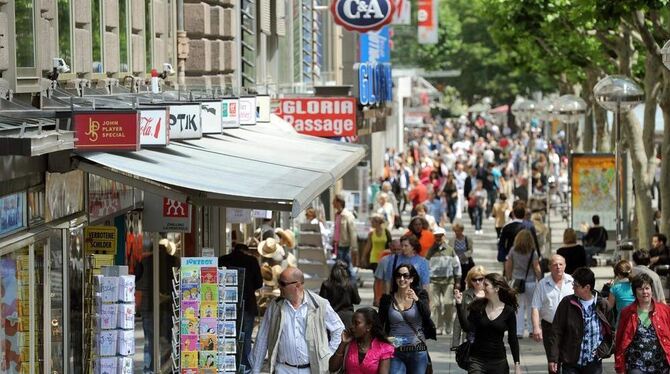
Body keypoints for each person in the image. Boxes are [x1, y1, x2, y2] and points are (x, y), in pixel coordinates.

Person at [250, 267, 345, 374]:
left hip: (312, 370)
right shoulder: (275, 306)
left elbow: (339, 329)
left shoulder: (319, 304)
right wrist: (256, 369)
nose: (279, 287)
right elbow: (262, 338)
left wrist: (328, 354)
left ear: (297, 285)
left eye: (283, 283)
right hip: (283, 369)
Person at [548, 267, 614, 374]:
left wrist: (602, 351)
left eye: (576, 285)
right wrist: (553, 358)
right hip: (570, 362)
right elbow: (556, 331)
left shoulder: (603, 305)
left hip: (593, 363)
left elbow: (612, 332)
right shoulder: (567, 303)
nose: (573, 287)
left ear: (587, 287)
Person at [454, 273, 522, 374]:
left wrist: (517, 365)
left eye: (486, 285)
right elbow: (467, 328)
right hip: (477, 361)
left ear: (496, 288)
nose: (482, 287)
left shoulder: (509, 311)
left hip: (499, 362)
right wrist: (459, 305)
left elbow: (513, 339)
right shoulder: (478, 306)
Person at [378, 264, 436, 373]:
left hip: (418, 350)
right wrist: (385, 339)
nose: (402, 279)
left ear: (412, 279)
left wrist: (417, 300)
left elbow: (427, 315)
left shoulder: (421, 295)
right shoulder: (387, 299)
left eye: (406, 276)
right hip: (395, 350)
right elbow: (379, 323)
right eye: (398, 276)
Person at [218, 243, 263, 373]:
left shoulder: (223, 259)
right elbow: (259, 283)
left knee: (226, 335)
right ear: (246, 251)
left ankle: (227, 365)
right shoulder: (252, 261)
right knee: (246, 336)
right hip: (247, 304)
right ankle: (245, 366)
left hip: (225, 304)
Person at [614, 273, 670, 374]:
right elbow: (619, 341)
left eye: (647, 288)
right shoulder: (627, 312)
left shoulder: (665, 310)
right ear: (635, 292)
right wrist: (619, 365)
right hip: (636, 364)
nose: (644, 292)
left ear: (651, 290)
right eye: (640, 289)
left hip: (661, 364)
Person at [138, 238, 178, 373]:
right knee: (167, 339)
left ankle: (149, 369)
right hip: (168, 307)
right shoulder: (174, 261)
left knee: (150, 340)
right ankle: (165, 368)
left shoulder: (144, 262)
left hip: (148, 307)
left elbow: (137, 283)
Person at [531, 255, 575, 364]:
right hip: (550, 327)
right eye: (555, 265)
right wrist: (536, 327)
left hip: (570, 326)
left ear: (565, 266)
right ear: (550, 267)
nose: (558, 267)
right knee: (553, 361)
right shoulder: (542, 284)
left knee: (569, 360)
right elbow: (535, 307)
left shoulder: (572, 282)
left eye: (561, 264)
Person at [328, 307, 395, 374]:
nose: (352, 326)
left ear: (369, 326)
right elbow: (332, 368)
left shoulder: (383, 348)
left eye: (356, 323)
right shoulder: (349, 344)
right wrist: (343, 343)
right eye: (352, 323)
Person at [505, 229, 542, 338]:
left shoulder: (512, 250)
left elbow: (508, 265)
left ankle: (518, 331)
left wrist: (508, 278)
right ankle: (531, 329)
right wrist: (540, 279)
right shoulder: (533, 252)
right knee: (531, 306)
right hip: (530, 282)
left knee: (518, 307)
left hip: (516, 282)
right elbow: (536, 268)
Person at [426, 226, 461, 335]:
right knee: (435, 305)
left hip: (448, 281)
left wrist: (458, 280)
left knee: (448, 303)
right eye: (436, 236)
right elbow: (425, 266)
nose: (438, 238)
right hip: (434, 281)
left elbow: (457, 266)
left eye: (440, 236)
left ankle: (448, 325)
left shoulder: (450, 250)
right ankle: (438, 326)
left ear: (444, 236)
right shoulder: (430, 251)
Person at [452, 265, 487, 348]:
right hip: (469, 337)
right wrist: (455, 344)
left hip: (486, 337)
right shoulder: (465, 295)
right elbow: (458, 320)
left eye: (480, 279)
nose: (477, 282)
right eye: (474, 280)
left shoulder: (490, 294)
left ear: (485, 279)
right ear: (470, 281)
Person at [319, 261, 361, 330]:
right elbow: (357, 301)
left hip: (331, 316)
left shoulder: (326, 284)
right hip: (348, 317)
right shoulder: (351, 284)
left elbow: (322, 302)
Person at [332, 194, 358, 278]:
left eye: (334, 202)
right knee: (339, 267)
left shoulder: (347, 215)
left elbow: (352, 232)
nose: (332, 204)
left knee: (347, 267)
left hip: (345, 246)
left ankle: (353, 284)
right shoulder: (337, 215)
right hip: (337, 245)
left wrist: (354, 247)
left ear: (339, 202)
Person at [373, 239, 402, 307]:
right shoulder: (384, 261)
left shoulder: (406, 261)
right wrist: (376, 298)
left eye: (399, 249)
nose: (396, 252)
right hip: (387, 295)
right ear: (390, 248)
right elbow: (377, 281)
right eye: (394, 249)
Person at [606, 260, 635, 325]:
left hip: (622, 322)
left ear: (618, 274)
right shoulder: (636, 286)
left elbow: (609, 306)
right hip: (636, 320)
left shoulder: (615, 288)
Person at [452, 221, 474, 291]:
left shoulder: (467, 239)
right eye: (455, 231)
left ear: (462, 230)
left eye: (458, 231)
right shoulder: (452, 240)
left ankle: (462, 294)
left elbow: (470, 250)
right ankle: (456, 293)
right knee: (456, 280)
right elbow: (450, 250)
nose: (457, 232)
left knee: (463, 280)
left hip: (465, 263)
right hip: (455, 263)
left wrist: (464, 255)